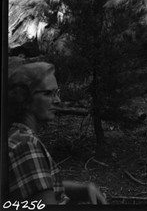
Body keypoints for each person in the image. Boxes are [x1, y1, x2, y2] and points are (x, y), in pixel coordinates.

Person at [7, 62, 107, 205]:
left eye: (57, 93)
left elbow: (38, 183)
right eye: (48, 93)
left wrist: (83, 189)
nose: (57, 100)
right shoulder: (26, 146)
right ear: (24, 98)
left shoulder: (15, 134)